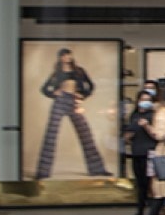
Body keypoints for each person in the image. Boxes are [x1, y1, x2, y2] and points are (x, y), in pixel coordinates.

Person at [35, 47, 111, 180]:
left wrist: (82, 95)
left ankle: (97, 169)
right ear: (60, 58)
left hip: (74, 101)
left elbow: (90, 86)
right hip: (60, 101)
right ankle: (42, 172)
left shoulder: (79, 71)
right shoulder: (56, 73)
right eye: (64, 56)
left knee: (86, 134)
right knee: (51, 136)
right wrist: (54, 93)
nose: (67, 58)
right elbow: (44, 89)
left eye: (68, 56)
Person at [121, 90, 157, 215]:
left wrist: (146, 126)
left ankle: (152, 214)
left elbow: (156, 135)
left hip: (150, 153)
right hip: (137, 153)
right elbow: (129, 133)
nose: (145, 102)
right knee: (140, 184)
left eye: (148, 99)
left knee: (150, 185)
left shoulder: (152, 116)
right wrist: (127, 139)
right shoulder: (134, 116)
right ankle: (140, 213)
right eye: (143, 99)